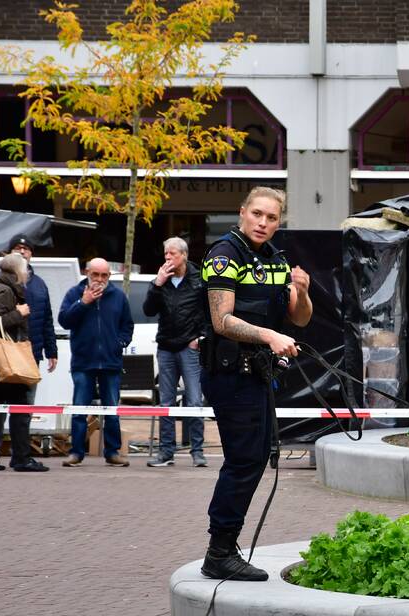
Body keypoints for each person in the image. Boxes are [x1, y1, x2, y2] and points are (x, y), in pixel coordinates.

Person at [199, 187, 312, 581]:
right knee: (245, 459)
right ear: (242, 212)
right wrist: (268, 336)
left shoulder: (276, 260)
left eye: (273, 218)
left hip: (258, 375)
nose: (264, 223)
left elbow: (298, 319)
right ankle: (220, 552)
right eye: (258, 214)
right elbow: (221, 321)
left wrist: (302, 291)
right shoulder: (224, 255)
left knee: (255, 456)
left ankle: (224, 547)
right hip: (229, 375)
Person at [0, 253, 49, 472]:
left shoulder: (4, 287)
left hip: (1, 359)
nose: (27, 273)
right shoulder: (3, 290)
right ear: (17, 271)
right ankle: (20, 458)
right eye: (25, 269)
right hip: (5, 359)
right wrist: (18, 313)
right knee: (19, 405)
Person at [0, 234, 58, 461]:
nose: (22, 252)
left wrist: (51, 351)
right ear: (9, 254)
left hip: (29, 356)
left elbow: (47, 319)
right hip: (4, 354)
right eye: (17, 248)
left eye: (26, 249)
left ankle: (20, 453)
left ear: (32, 254)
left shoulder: (40, 284)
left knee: (24, 408)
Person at [58, 257, 134, 467]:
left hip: (111, 362)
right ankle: (76, 453)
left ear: (109, 276)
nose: (99, 279)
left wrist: (120, 342)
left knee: (112, 410)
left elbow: (127, 325)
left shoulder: (118, 296)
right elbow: (64, 320)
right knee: (80, 409)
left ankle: (112, 452)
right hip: (83, 361)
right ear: (87, 273)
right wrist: (84, 303)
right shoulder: (74, 293)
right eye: (95, 274)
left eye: (104, 275)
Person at [143, 237, 209, 468]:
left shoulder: (200, 279)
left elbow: (211, 312)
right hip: (166, 348)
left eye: (172, 254)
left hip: (189, 348)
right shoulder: (162, 281)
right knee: (166, 403)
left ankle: (198, 451)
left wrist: (202, 338)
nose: (168, 258)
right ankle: (166, 452)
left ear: (184, 255)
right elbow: (148, 310)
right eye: (165, 254)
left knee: (194, 401)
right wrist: (157, 284)